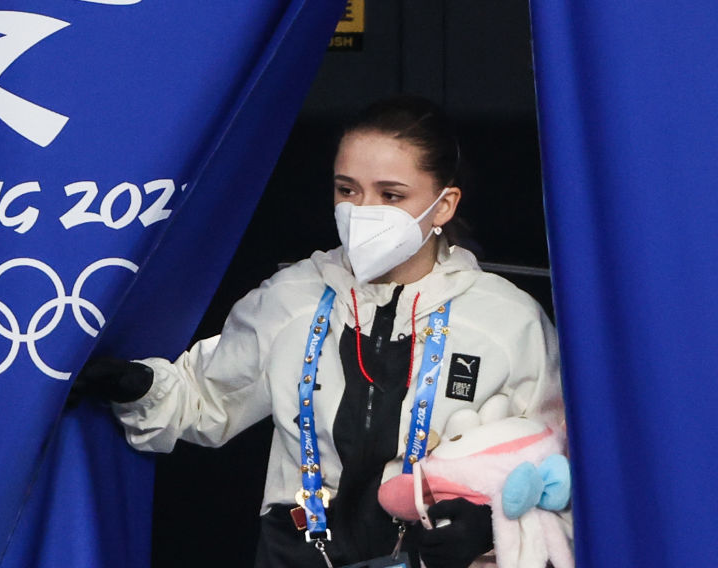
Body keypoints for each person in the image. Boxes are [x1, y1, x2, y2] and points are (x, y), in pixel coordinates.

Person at [72, 95, 566, 568]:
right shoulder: (292, 297)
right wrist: (139, 386)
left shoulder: (506, 320)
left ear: (443, 205)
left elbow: (560, 464)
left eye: (390, 195)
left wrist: (487, 522)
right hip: (299, 555)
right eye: (347, 189)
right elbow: (202, 398)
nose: (362, 210)